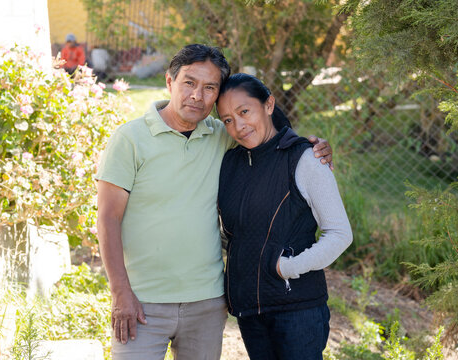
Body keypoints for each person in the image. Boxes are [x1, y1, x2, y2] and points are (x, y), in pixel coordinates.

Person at [95, 44, 333, 360]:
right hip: (142, 301)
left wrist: (308, 147)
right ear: (169, 82)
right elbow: (108, 218)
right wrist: (120, 293)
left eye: (210, 88)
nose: (198, 95)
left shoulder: (222, 134)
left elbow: (265, 134)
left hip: (206, 302)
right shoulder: (130, 140)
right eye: (189, 83)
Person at [216, 73, 353, 360]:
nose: (239, 126)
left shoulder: (304, 157)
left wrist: (289, 268)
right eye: (228, 120)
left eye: (244, 112)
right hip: (250, 311)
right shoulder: (230, 163)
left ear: (268, 104)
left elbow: (340, 233)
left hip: (297, 310)